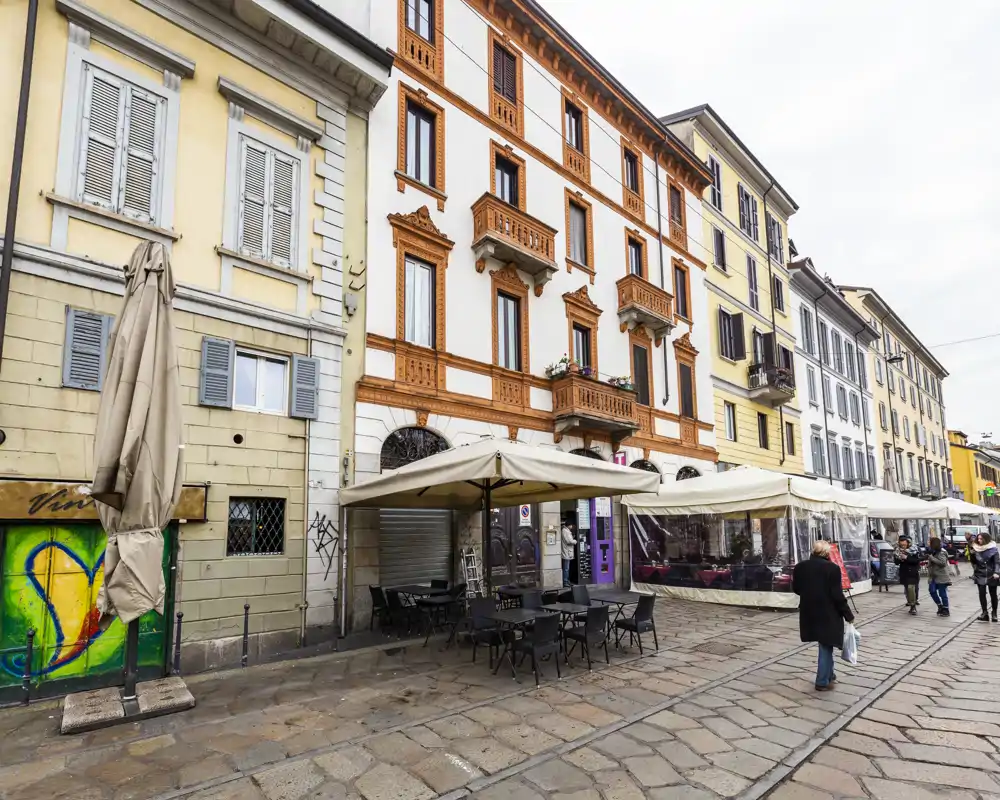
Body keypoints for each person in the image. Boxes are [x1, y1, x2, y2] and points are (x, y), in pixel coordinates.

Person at [793, 539, 855, 692]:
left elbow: (796, 589)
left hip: (809, 611)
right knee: (826, 644)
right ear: (827, 553)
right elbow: (837, 595)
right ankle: (822, 681)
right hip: (828, 612)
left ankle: (830, 674)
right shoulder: (832, 568)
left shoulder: (800, 567)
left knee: (826, 643)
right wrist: (848, 615)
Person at [971, 532, 1000, 622]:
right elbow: (974, 562)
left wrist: (996, 572)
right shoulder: (975, 548)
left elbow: (997, 562)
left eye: (981, 539)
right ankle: (984, 613)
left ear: (986, 539)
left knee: (993, 594)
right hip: (980, 573)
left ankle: (994, 613)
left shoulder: (993, 549)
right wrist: (972, 554)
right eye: (978, 539)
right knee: (982, 593)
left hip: (991, 573)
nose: (979, 540)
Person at [894, 534, 921, 615]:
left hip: (913, 572)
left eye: (904, 544)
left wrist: (907, 558)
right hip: (904, 572)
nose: (903, 546)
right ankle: (911, 603)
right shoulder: (897, 550)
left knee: (911, 588)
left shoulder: (914, 549)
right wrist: (899, 559)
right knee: (908, 589)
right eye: (901, 544)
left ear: (908, 542)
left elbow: (916, 561)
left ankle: (913, 606)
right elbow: (896, 562)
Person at [926, 537, 951, 617]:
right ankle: (939, 605)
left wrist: (932, 558)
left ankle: (946, 609)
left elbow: (943, 563)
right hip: (933, 575)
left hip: (941, 576)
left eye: (929, 541)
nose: (928, 542)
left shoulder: (942, 552)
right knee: (932, 590)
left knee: (942, 593)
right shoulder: (932, 551)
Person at [561, 519, 577, 587]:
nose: (572, 526)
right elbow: (569, 541)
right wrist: (575, 541)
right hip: (566, 552)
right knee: (566, 568)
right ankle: (565, 582)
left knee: (567, 568)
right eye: (571, 525)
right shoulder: (565, 531)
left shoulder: (566, 531)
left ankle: (567, 581)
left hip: (567, 552)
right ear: (569, 525)